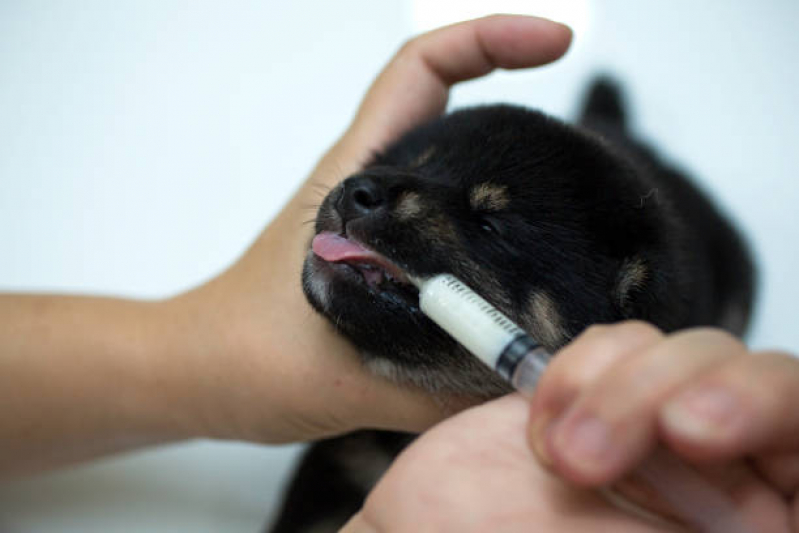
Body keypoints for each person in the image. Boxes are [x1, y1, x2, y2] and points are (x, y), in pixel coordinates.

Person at [1, 13, 796, 531]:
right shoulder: (355, 409)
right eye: (400, 167)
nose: (368, 192)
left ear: (614, 303)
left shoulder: (652, 275)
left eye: (486, 221)